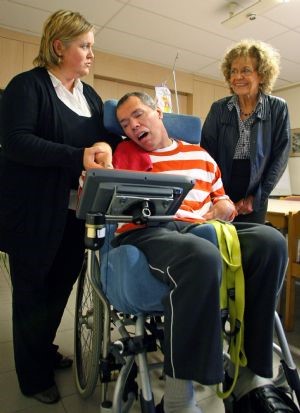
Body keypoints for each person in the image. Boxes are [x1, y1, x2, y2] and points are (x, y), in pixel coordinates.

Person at [108, 92, 289, 413]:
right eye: (124, 123)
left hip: (203, 226)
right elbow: (114, 198)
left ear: (158, 112)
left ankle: (250, 378)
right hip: (151, 231)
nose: (133, 126)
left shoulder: (200, 155)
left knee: (270, 242)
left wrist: (223, 205)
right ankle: (178, 401)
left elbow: (222, 200)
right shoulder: (125, 153)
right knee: (200, 252)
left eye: (138, 115)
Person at [0, 10, 120, 404]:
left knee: (60, 289)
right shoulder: (27, 87)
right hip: (32, 214)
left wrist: (103, 150)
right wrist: (79, 156)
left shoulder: (90, 97)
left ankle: (43, 347)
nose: (91, 54)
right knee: (32, 294)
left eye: (91, 46)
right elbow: (17, 142)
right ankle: (33, 378)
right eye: (84, 46)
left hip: (74, 213)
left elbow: (101, 142)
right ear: (58, 47)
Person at [201, 39, 291, 224]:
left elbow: (280, 157)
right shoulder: (219, 108)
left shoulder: (277, 108)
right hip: (220, 188)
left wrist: (256, 198)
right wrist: (217, 196)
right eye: (233, 71)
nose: (237, 76)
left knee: (252, 245)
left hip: (256, 190)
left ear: (262, 75)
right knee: (221, 243)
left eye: (246, 70)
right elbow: (206, 155)